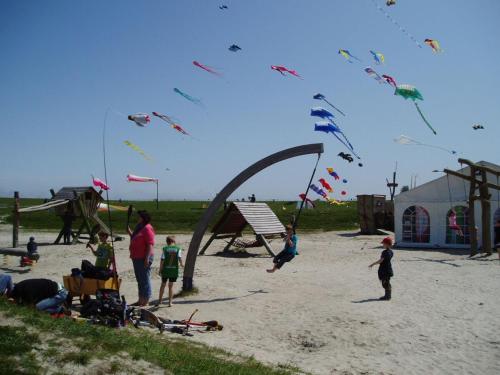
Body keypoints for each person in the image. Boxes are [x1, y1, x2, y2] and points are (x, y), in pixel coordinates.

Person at [127, 210, 155, 306]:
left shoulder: (147, 228)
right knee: (139, 279)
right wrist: (129, 232)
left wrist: (146, 259)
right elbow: (135, 238)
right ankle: (140, 300)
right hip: (136, 257)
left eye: (139, 217)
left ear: (143, 218)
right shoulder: (139, 227)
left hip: (144, 257)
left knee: (144, 279)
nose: (137, 218)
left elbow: (150, 244)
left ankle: (145, 300)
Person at [157, 236, 184, 307]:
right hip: (173, 270)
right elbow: (179, 257)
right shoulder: (178, 248)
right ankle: (170, 302)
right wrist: (181, 264)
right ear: (173, 241)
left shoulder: (165, 249)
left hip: (166, 270)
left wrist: (160, 269)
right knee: (171, 286)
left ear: (167, 242)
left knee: (163, 285)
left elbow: (162, 259)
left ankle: (160, 301)